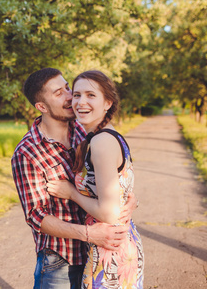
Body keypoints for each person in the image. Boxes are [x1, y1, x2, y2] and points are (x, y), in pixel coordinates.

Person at [11, 68, 138, 289]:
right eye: (59, 93)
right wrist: (89, 234)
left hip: (101, 250)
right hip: (61, 260)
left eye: (68, 87)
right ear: (41, 107)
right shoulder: (27, 153)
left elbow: (114, 173)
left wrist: (130, 198)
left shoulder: (85, 128)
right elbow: (36, 216)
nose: (71, 97)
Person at [47, 70, 144, 288]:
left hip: (110, 249)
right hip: (120, 242)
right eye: (78, 94)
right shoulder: (107, 135)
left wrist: (71, 192)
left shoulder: (101, 142)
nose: (81, 102)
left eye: (91, 95)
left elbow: (108, 213)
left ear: (108, 102)